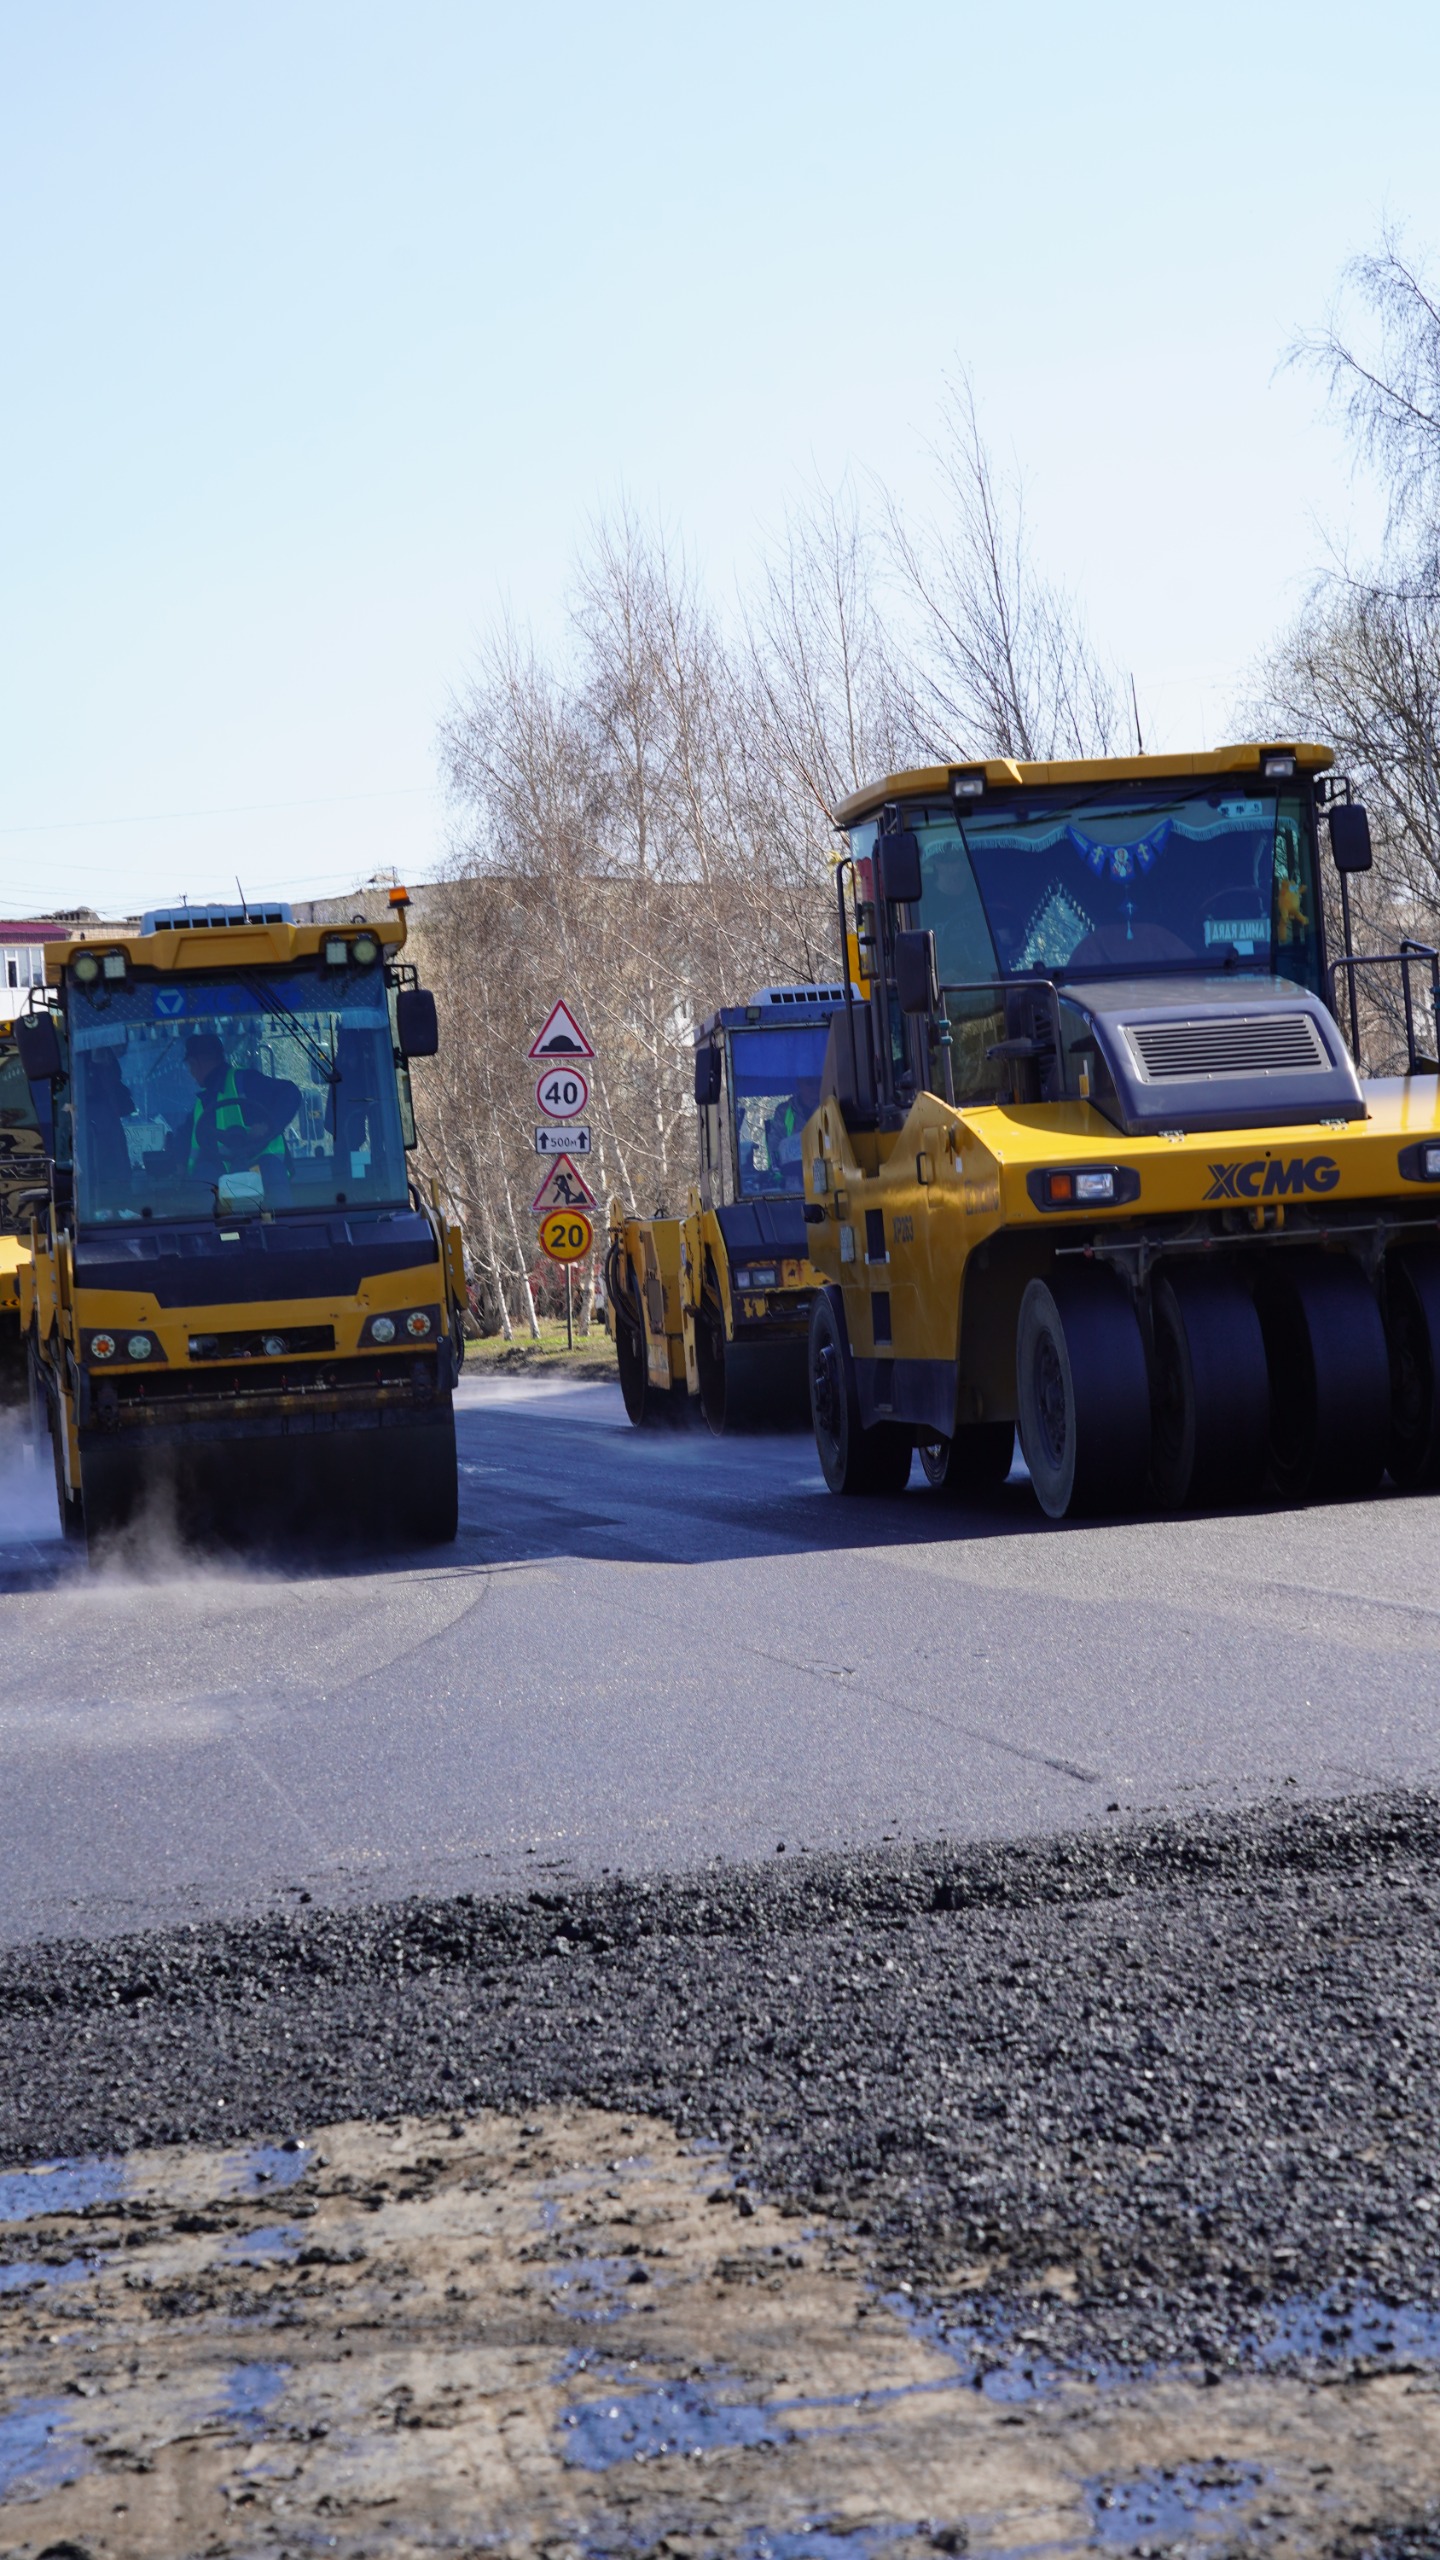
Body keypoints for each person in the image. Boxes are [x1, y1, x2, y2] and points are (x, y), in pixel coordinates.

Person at [163, 1031, 301, 1188]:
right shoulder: (205, 1102)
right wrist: (180, 1164)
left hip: (262, 1171)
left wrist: (269, 1126)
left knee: (269, 1168)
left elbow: (290, 1093)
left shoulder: (247, 1082)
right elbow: (186, 1133)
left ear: (197, 1063)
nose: (191, 1073)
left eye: (190, 1066)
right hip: (223, 1180)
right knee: (203, 1175)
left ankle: (281, 1213)